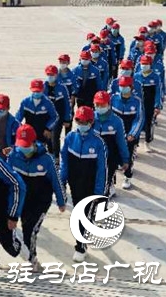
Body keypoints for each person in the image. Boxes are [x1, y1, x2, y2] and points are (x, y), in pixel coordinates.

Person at [7, 124, 66, 272]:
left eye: (27, 146)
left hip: (40, 201)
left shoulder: (46, 159)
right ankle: (28, 254)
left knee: (30, 230)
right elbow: (7, 179)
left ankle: (32, 259)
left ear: (34, 143)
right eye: (21, 146)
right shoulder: (13, 156)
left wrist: (61, 200)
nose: (24, 149)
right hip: (22, 200)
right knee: (23, 226)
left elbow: (56, 180)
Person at [59, 106, 108, 263]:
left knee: (83, 213)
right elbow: (64, 162)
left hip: (90, 185)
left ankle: (80, 246)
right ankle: (86, 233)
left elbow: (102, 169)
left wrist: (99, 192)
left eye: (84, 121)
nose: (81, 124)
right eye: (78, 120)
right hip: (75, 183)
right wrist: (63, 180)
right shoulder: (70, 138)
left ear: (91, 122)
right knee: (79, 211)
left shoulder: (98, 143)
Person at [92, 91, 129, 198]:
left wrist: (125, 159)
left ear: (108, 104)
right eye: (97, 104)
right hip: (93, 156)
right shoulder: (90, 119)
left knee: (105, 181)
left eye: (102, 104)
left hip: (110, 157)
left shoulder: (117, 121)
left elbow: (121, 142)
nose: (99, 107)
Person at [111, 76, 144, 190]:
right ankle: (111, 183)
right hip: (115, 132)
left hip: (129, 134)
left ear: (131, 87)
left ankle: (127, 176)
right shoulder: (113, 98)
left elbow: (139, 119)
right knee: (112, 156)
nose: (123, 88)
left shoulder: (137, 101)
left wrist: (133, 134)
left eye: (125, 86)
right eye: (121, 86)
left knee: (128, 157)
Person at [15, 79, 59, 152]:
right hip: (28, 134)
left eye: (38, 91)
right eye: (34, 91)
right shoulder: (25, 102)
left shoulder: (48, 103)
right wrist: (19, 128)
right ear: (31, 89)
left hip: (42, 134)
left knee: (39, 153)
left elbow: (54, 117)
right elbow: (18, 117)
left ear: (43, 90)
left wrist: (48, 128)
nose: (36, 93)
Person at [134, 55, 163, 153]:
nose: (144, 65)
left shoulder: (155, 77)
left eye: (146, 64)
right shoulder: (136, 76)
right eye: (142, 63)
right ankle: (135, 145)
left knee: (148, 123)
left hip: (149, 104)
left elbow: (158, 92)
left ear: (150, 64)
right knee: (137, 123)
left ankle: (147, 142)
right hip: (138, 104)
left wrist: (157, 105)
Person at [43, 65, 72, 162]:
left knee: (55, 137)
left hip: (58, 117)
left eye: (52, 74)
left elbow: (67, 104)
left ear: (56, 75)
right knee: (47, 137)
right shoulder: (43, 87)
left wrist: (67, 118)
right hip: (46, 117)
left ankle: (56, 157)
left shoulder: (62, 88)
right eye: (48, 74)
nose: (50, 76)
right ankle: (50, 153)